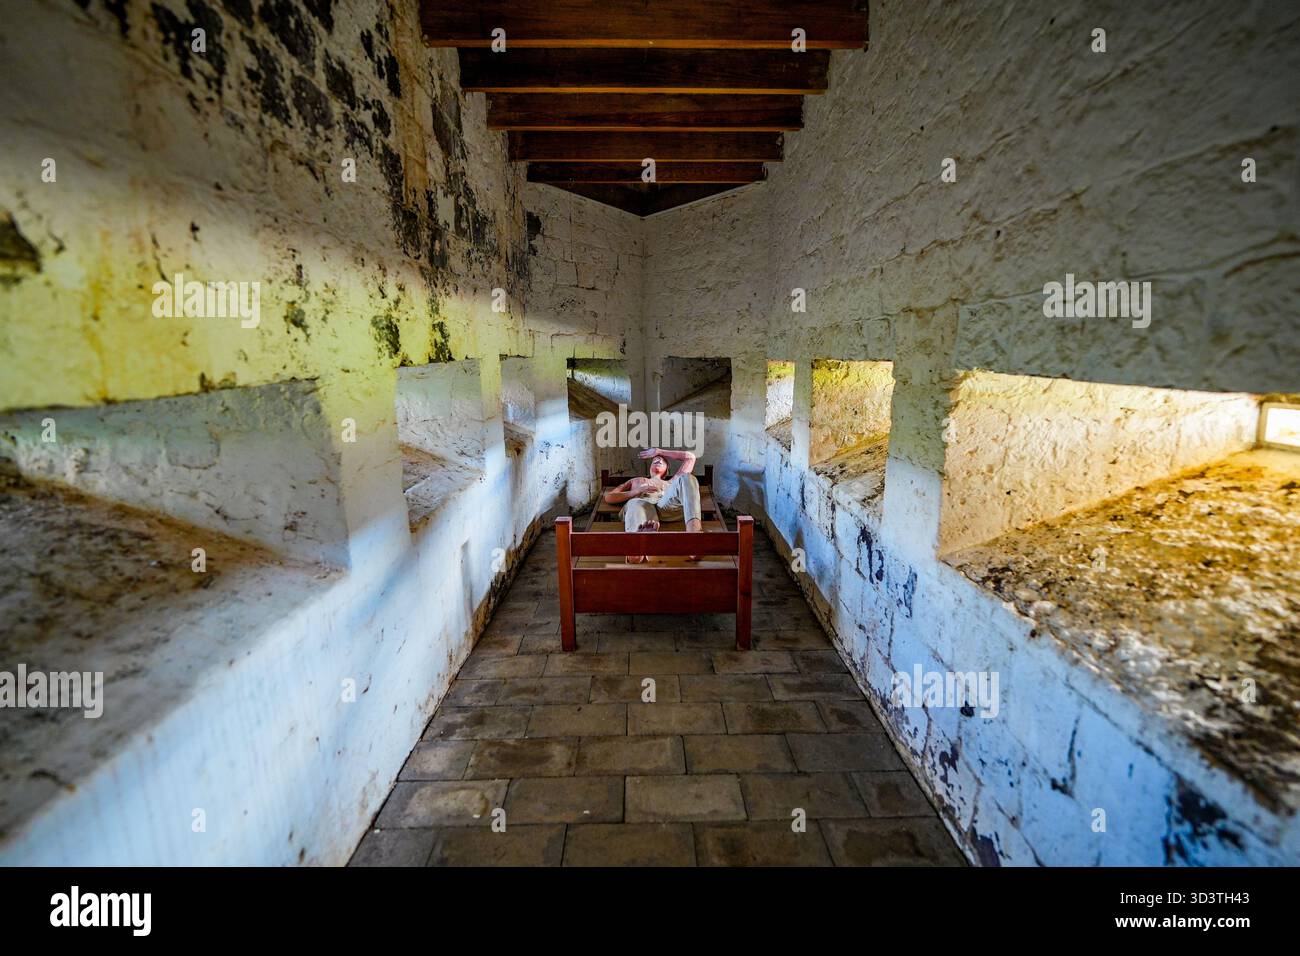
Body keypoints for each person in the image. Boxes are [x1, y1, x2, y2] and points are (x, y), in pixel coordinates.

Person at [601, 447, 702, 563]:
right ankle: (636, 549)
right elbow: (609, 497)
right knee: (636, 503)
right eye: (655, 460)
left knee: (687, 478)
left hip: (665, 505)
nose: (658, 460)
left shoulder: (671, 482)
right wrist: (636, 491)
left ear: (666, 470)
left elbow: (690, 457)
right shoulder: (637, 481)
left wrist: (659, 452)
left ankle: (694, 539)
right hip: (641, 504)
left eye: (662, 461)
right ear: (650, 469)